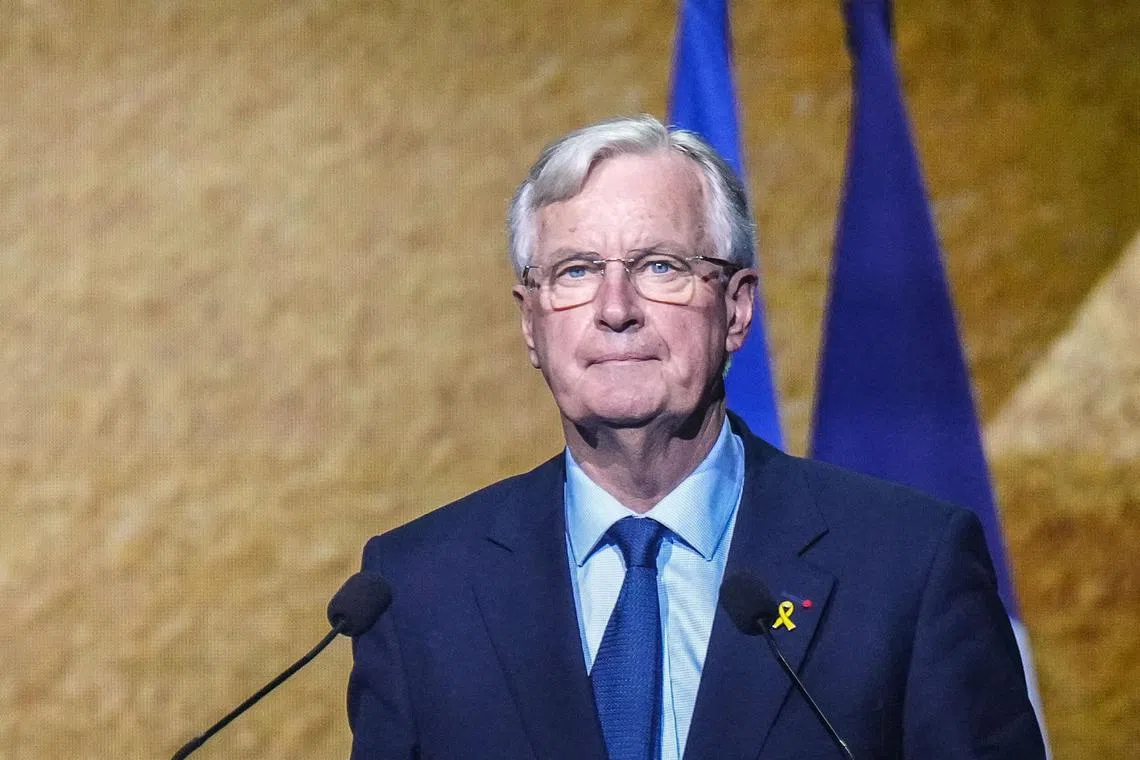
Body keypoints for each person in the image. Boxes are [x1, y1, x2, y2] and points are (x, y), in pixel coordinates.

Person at [346, 115, 1044, 759]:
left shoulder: (908, 567)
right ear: (532, 323)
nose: (616, 310)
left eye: (661, 267)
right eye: (576, 272)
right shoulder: (415, 590)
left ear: (736, 309)